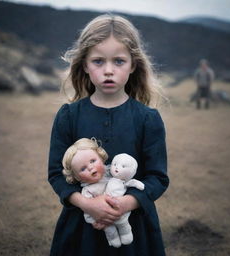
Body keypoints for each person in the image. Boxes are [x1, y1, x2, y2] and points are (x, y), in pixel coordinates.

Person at [48, 14, 169, 256]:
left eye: (119, 61)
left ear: (133, 65)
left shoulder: (148, 119)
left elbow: (157, 177)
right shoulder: (68, 116)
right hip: (81, 230)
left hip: (134, 231)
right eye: (98, 61)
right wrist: (88, 204)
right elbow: (56, 174)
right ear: (84, 64)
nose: (109, 71)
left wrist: (124, 204)